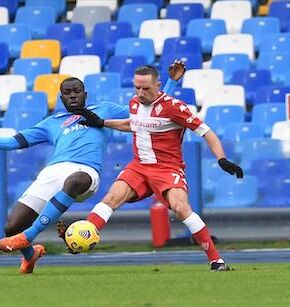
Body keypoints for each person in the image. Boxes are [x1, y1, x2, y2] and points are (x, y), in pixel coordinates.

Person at [0, 62, 185, 273]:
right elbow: (12, 142)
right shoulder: (52, 122)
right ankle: (30, 255)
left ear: (85, 93)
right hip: (53, 172)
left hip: (86, 172)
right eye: (66, 93)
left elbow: (153, 111)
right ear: (61, 98)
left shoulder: (104, 110)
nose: (72, 96)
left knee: (75, 180)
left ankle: (29, 236)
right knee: (11, 225)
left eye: (76, 91)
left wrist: (172, 84)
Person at [59, 65, 243, 271]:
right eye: (137, 88)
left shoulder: (175, 108)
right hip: (138, 167)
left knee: (182, 209)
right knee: (110, 198)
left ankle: (216, 260)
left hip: (167, 169)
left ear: (157, 85)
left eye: (145, 89)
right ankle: (82, 239)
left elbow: (207, 132)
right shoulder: (134, 104)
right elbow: (132, 124)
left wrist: (222, 159)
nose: (140, 93)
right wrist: (102, 122)